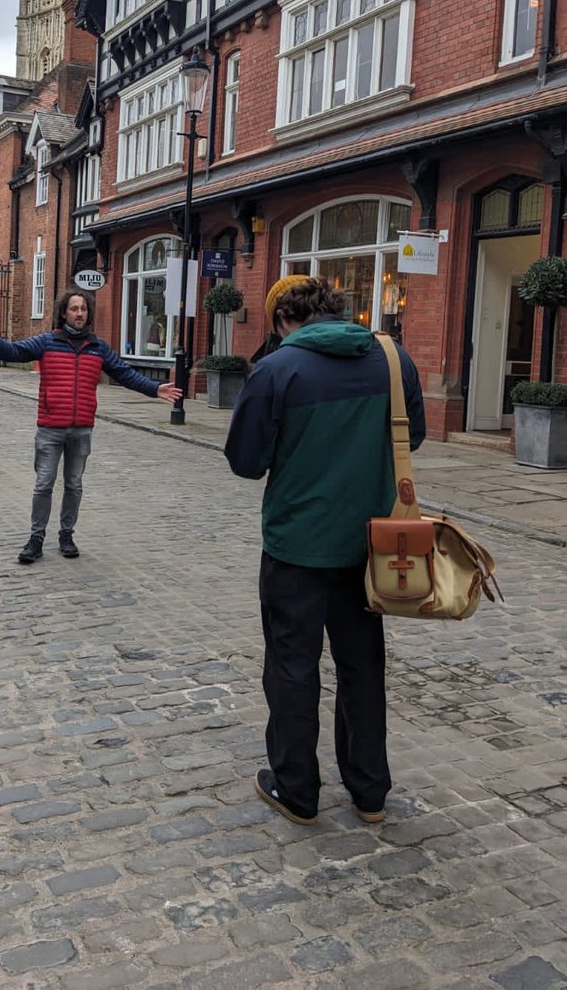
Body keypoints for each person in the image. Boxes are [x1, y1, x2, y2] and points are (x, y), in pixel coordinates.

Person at [224, 274, 425, 826]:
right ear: (337, 309)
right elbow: (415, 435)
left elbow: (246, 461)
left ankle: (297, 790)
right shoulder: (392, 359)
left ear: (282, 320)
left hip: (297, 545)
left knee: (292, 668)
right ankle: (369, 791)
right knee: (363, 666)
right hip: (372, 544)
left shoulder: (276, 369)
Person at [0, 288, 182, 563]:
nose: (79, 313)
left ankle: (66, 535)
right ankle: (36, 538)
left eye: (83, 309)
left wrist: (155, 389)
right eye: (74, 308)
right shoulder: (48, 342)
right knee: (44, 484)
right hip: (50, 427)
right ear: (64, 312)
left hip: (81, 429)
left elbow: (125, 374)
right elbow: (12, 352)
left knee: (74, 484)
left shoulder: (98, 347)